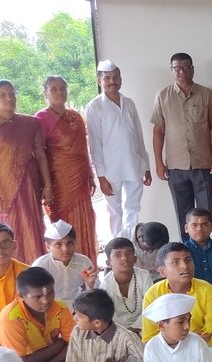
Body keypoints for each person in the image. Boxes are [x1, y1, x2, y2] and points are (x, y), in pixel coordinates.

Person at [0, 80, 53, 263]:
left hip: (30, 185)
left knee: (34, 228)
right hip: (5, 188)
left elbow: (40, 155)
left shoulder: (30, 123)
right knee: (10, 232)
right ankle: (14, 272)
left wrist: (48, 186)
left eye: (11, 94)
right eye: (2, 95)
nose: (8, 98)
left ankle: (36, 269)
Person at [141, 242, 212, 362]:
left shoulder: (207, 289)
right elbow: (150, 337)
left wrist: (191, 343)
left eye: (188, 260)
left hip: (206, 348)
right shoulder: (153, 294)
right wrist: (184, 342)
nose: (184, 266)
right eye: (176, 262)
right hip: (169, 350)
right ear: (162, 271)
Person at [152, 52, 212, 236]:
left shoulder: (207, 94)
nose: (181, 71)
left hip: (204, 165)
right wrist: (158, 162)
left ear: (192, 69)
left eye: (185, 67)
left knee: (207, 216)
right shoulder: (163, 96)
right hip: (176, 167)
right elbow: (158, 131)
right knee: (184, 216)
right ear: (171, 70)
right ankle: (185, 251)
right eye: (177, 68)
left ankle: (210, 248)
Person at [85, 59, 152, 235]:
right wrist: (101, 177)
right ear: (99, 81)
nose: (112, 81)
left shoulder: (129, 103)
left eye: (115, 77)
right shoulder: (94, 107)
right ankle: (116, 244)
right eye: (107, 78)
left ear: (121, 79)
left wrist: (146, 166)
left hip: (134, 165)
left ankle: (130, 243)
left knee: (133, 208)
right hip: (110, 170)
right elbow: (94, 144)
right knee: (115, 212)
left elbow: (138, 136)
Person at [35, 75, 98, 260]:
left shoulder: (75, 116)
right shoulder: (41, 118)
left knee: (86, 219)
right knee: (62, 225)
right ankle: (64, 265)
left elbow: (83, 149)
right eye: (54, 89)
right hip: (58, 180)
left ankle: (87, 263)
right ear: (45, 93)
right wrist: (46, 185)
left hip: (80, 178)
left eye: (63, 88)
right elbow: (39, 154)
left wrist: (90, 175)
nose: (59, 92)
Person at [0, 267, 74, 362]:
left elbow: (74, 344)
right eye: (38, 297)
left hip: (53, 361)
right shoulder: (11, 319)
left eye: (50, 293)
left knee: (85, 359)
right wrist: (59, 345)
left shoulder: (60, 307)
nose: (46, 301)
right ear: (21, 296)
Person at [31, 220, 99, 311]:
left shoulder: (83, 261)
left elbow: (96, 291)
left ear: (75, 243)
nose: (65, 249)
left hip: (77, 306)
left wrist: (90, 284)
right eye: (58, 244)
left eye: (69, 243)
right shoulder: (40, 266)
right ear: (48, 247)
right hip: (49, 308)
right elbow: (34, 298)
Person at [99, 237, 153, 334]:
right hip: (117, 331)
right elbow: (106, 316)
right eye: (118, 255)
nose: (124, 258)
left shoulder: (144, 276)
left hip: (144, 326)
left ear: (135, 259)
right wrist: (125, 334)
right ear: (109, 263)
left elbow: (151, 307)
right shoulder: (106, 284)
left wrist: (135, 329)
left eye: (128, 253)